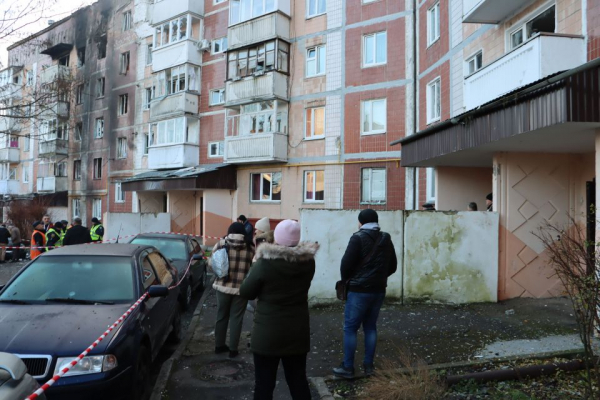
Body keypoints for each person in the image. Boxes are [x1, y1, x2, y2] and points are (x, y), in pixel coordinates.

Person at [240, 220, 318, 400]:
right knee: (298, 381)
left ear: (276, 238)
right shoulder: (308, 263)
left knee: (264, 385)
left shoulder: (264, 264)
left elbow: (246, 292)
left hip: (267, 333)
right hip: (297, 331)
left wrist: (254, 265)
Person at [333, 209, 398, 379]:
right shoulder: (386, 238)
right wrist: (378, 278)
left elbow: (345, 265)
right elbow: (393, 266)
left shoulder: (357, 238)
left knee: (350, 328)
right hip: (378, 291)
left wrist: (348, 280)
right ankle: (369, 367)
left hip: (358, 292)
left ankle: (348, 368)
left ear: (360, 222)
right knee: (370, 328)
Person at [211, 222, 255, 358]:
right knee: (237, 318)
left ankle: (219, 346)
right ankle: (233, 350)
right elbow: (253, 266)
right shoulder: (250, 247)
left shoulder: (221, 244)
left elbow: (211, 264)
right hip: (241, 289)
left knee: (221, 316)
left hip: (222, 287)